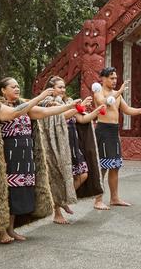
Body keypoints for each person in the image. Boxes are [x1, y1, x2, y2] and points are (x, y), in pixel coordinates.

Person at [0, 78, 81, 244]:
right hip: (8, 155)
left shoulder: (24, 106)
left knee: (19, 191)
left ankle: (11, 229)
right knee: (6, 192)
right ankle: (1, 231)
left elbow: (45, 113)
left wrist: (70, 106)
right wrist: (40, 97)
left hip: (25, 155)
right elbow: (13, 113)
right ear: (3, 90)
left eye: (18, 86)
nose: (17, 88)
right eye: (13, 86)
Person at [41, 76, 106, 224]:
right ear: (51, 89)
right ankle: (57, 213)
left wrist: (97, 110)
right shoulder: (47, 103)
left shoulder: (68, 102)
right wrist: (76, 106)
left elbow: (82, 119)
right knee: (59, 179)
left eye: (64, 87)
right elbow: (60, 117)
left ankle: (63, 200)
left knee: (82, 175)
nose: (63, 90)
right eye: (60, 87)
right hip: (57, 146)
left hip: (72, 144)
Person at [92, 67, 141, 209]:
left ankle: (114, 198)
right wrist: (119, 92)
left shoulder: (116, 94)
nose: (114, 81)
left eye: (116, 78)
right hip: (103, 130)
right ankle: (98, 200)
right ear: (103, 79)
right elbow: (104, 103)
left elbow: (127, 109)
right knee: (103, 167)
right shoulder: (99, 92)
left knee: (115, 166)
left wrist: (140, 111)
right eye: (111, 78)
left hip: (113, 131)